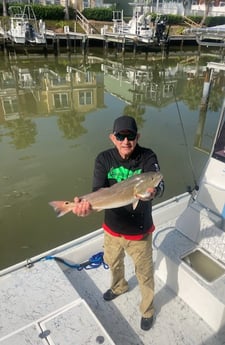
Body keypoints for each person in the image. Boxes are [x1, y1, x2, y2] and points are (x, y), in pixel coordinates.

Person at [72, 115, 164, 331]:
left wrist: (153, 193)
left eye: (130, 136)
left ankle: (147, 309)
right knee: (113, 263)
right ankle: (119, 287)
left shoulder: (147, 157)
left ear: (137, 136)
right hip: (112, 230)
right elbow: (98, 193)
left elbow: (160, 184)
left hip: (139, 233)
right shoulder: (103, 159)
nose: (125, 141)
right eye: (120, 136)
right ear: (112, 138)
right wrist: (85, 208)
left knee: (144, 274)